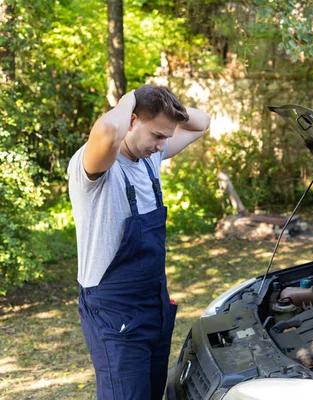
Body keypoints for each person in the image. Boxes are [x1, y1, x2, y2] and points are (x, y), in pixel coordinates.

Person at [68, 84, 211, 399]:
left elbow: (203, 122)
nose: (162, 145)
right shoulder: (96, 168)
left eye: (166, 136)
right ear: (130, 122)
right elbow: (107, 130)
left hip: (153, 305)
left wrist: (165, 107)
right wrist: (130, 97)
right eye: (157, 135)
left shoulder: (149, 161)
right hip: (115, 312)